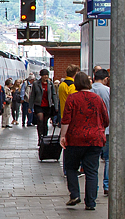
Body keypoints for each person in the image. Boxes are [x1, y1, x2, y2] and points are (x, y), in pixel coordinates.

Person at [60, 71, 109, 210]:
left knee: (71, 167)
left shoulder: (72, 98)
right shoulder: (97, 99)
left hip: (75, 139)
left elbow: (66, 120)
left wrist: (63, 136)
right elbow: (106, 119)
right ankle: (91, 202)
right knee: (92, 171)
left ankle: (75, 194)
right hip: (94, 140)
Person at [91, 68, 112, 195]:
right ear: (105, 79)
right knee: (108, 159)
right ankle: (107, 185)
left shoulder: (89, 91)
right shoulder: (108, 91)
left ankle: (94, 187)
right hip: (107, 129)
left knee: (93, 160)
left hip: (92, 130)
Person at [30, 69, 58, 140]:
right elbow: (32, 95)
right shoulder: (36, 84)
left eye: (47, 75)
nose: (46, 77)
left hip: (47, 105)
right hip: (38, 105)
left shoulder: (50, 84)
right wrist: (30, 106)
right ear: (41, 76)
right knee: (40, 120)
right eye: (44, 75)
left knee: (45, 122)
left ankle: (45, 137)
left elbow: (54, 95)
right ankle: (40, 136)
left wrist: (56, 106)